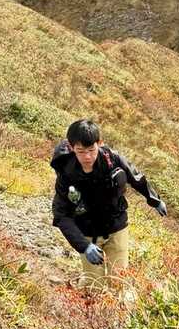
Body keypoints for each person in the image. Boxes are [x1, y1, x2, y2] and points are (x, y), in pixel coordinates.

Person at [51, 119, 166, 286]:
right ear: (71, 147)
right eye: (81, 151)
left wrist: (154, 200)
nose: (87, 156)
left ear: (100, 143)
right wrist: (84, 246)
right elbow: (61, 215)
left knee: (119, 281)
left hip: (116, 227)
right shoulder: (66, 174)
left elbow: (136, 177)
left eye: (91, 150)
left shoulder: (112, 159)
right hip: (88, 232)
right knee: (94, 285)